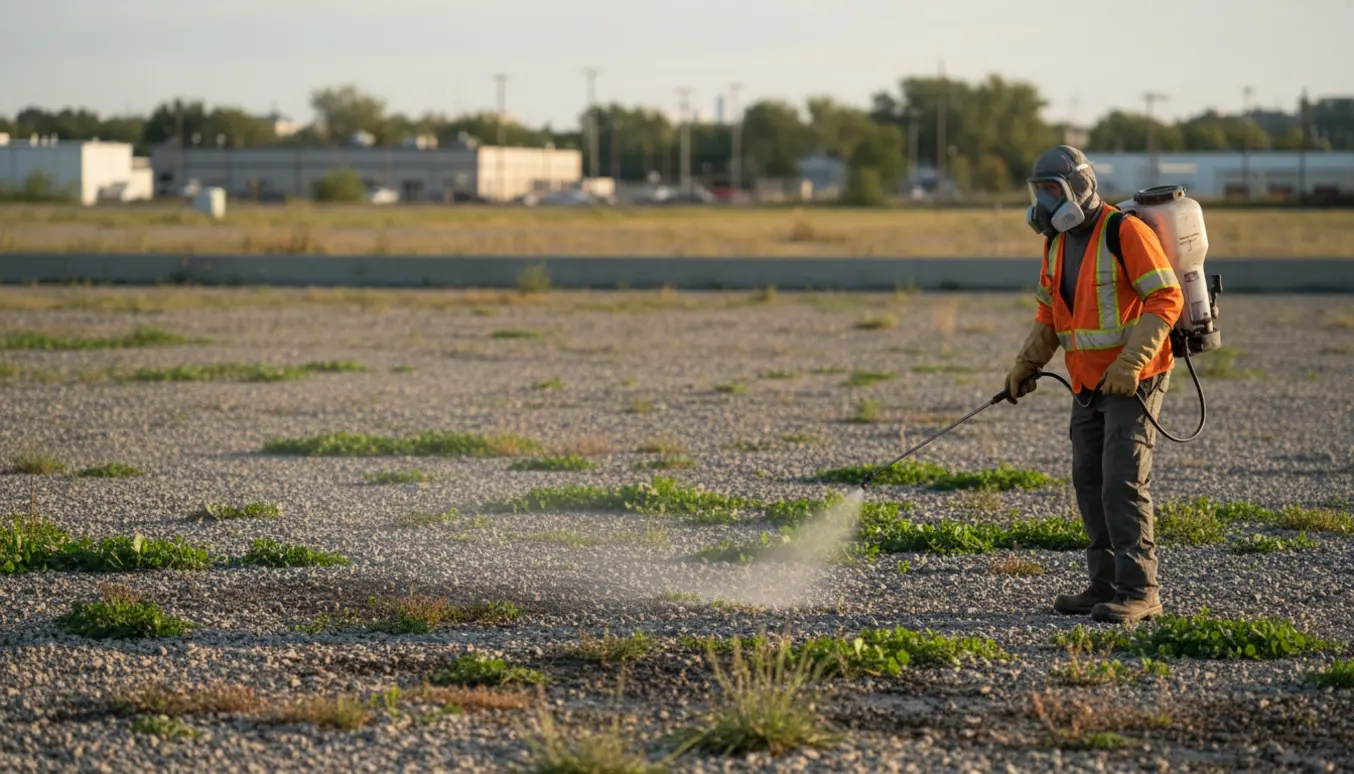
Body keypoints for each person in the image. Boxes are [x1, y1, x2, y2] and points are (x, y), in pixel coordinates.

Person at [1005, 145, 1184, 624]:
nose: (1043, 202)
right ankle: (1103, 585)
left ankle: (1140, 590)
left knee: (1121, 482)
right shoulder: (1055, 242)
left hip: (1135, 379)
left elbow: (1165, 297)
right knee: (1089, 481)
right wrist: (1026, 364)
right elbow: (1050, 314)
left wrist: (1131, 363)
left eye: (1052, 191)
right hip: (1087, 381)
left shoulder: (1124, 232)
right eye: (1038, 192)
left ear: (1079, 190)